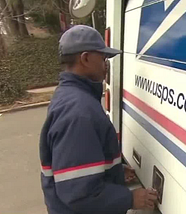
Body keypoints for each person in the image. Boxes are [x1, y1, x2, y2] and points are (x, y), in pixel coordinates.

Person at [39, 25, 158, 214]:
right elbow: (78, 193)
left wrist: (115, 172)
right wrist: (130, 199)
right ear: (85, 58)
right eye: (103, 58)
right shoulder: (78, 113)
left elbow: (80, 167)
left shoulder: (71, 97)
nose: (106, 65)